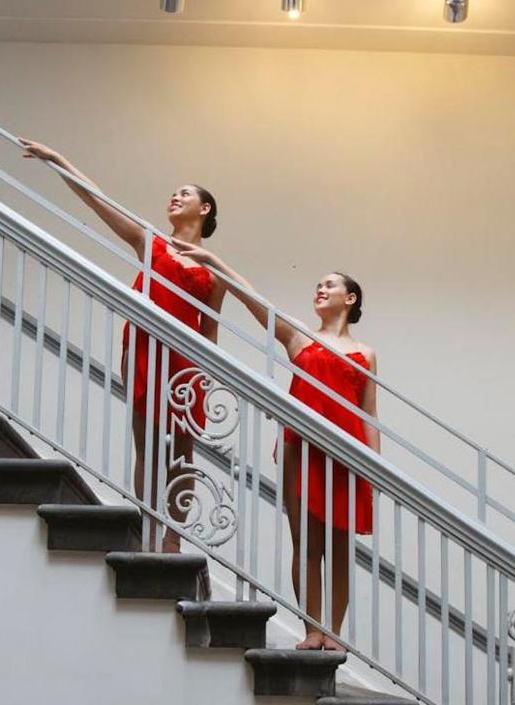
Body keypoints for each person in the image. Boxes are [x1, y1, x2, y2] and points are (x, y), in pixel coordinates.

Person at [19, 139, 226, 553]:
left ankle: (173, 541)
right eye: (174, 192)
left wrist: (207, 380)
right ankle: (149, 532)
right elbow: (99, 203)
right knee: (147, 445)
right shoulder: (152, 241)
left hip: (187, 361)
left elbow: (211, 333)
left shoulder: (214, 270)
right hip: (146, 348)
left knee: (182, 453)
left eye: (185, 193)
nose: (175, 196)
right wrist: (59, 159)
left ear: (204, 210)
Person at [172, 238, 378, 651]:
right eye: (317, 284)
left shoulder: (366, 353)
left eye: (329, 285)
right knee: (306, 542)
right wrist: (215, 260)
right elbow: (255, 303)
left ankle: (334, 634)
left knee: (340, 547)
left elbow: (370, 416)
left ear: (350, 298)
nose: (319, 289)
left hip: (347, 454)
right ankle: (312, 630)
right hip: (300, 449)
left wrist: (374, 469)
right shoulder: (301, 337)